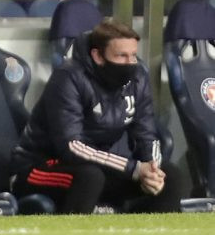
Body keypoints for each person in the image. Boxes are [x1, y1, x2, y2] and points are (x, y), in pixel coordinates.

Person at [10, 19, 182, 213]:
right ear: (98, 56)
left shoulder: (138, 78)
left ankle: (151, 233)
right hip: (40, 168)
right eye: (122, 56)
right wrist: (133, 168)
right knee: (90, 177)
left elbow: (147, 133)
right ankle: (72, 232)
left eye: (133, 55)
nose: (130, 63)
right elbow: (72, 147)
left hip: (99, 167)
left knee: (170, 176)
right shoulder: (68, 78)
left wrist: (152, 170)